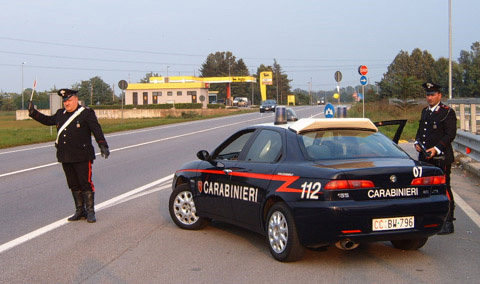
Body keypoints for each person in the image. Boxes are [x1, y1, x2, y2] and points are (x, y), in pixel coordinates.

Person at [28, 89, 110, 223]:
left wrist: (103, 145)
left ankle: (90, 211)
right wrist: (33, 113)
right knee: (73, 184)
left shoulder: (86, 113)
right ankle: (79, 210)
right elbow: (48, 120)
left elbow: (96, 129)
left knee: (86, 183)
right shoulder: (61, 114)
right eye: (65, 101)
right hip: (66, 155)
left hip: (82, 155)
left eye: (69, 100)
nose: (67, 103)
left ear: (76, 99)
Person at [415, 82, 457, 234]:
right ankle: (429, 218)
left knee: (444, 187)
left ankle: (448, 221)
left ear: (439, 95)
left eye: (433, 94)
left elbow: (450, 134)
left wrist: (437, 149)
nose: (430, 97)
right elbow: (421, 131)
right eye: (428, 95)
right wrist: (417, 143)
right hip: (425, 158)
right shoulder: (425, 111)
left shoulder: (447, 112)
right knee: (425, 188)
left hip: (441, 157)